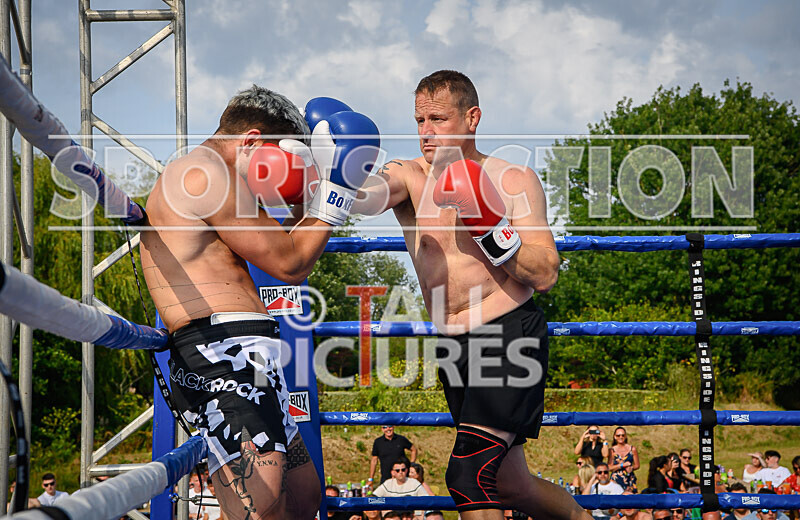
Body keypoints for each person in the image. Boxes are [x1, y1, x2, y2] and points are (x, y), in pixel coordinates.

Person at [355, 69, 585, 520]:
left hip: (507, 335)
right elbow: (365, 199)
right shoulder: (409, 176)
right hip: (452, 345)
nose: (426, 132)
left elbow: (546, 272)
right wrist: (338, 169)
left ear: (472, 117)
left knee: (468, 475)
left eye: (438, 119)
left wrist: (491, 231)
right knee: (511, 486)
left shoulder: (512, 179)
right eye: (419, 120)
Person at [141, 86, 379, 520]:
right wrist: (336, 187)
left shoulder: (218, 177)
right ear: (250, 140)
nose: (276, 172)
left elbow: (287, 243)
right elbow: (291, 263)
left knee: (304, 497)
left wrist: (312, 194)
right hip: (220, 356)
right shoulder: (206, 175)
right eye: (277, 155)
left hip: (247, 354)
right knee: (260, 506)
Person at [609, 427, 640, 492]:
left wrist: (631, 468)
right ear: (615, 437)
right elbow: (609, 467)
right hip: (616, 480)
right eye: (618, 435)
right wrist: (622, 465)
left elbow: (637, 465)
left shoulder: (632, 449)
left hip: (629, 479)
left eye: (623, 435)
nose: (621, 437)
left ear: (625, 436)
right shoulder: (612, 450)